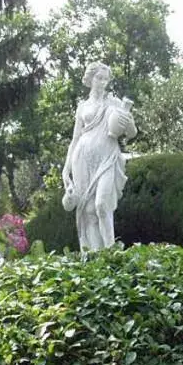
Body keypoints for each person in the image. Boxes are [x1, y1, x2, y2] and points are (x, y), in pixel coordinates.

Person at [62, 62, 137, 252]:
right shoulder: (82, 107)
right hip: (82, 161)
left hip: (107, 158)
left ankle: (111, 254)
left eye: (106, 79)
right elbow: (75, 139)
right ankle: (93, 256)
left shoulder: (115, 103)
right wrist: (65, 171)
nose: (103, 82)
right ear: (90, 78)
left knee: (102, 205)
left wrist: (127, 122)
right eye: (99, 78)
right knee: (88, 211)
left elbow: (131, 133)